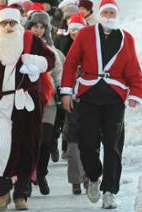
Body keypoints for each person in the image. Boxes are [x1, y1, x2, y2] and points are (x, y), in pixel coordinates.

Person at [61, 0, 142, 209]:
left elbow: (134, 68)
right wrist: (67, 93)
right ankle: (94, 176)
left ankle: (109, 191)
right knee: (87, 144)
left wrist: (135, 92)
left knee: (113, 146)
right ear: (99, 14)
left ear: (117, 15)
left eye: (112, 13)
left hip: (114, 98)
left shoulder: (127, 39)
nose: (108, 16)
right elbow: (70, 64)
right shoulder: (86, 35)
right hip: (89, 95)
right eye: (105, 13)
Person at [0, 7, 55, 210]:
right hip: (2, 105)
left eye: (12, 23)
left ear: (18, 23)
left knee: (27, 147)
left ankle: (21, 195)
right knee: (0, 148)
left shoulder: (30, 40)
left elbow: (50, 59)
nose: (8, 27)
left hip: (28, 105)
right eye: (4, 23)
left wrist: (35, 62)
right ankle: (3, 191)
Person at [25, 10, 63, 196]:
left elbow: (58, 73)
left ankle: (41, 173)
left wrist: (61, 91)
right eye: (35, 26)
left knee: (46, 141)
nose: (38, 30)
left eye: (42, 27)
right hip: (27, 99)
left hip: (49, 101)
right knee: (29, 140)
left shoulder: (51, 49)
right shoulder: (22, 46)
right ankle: (28, 176)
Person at [61, 12, 90, 195]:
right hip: (71, 99)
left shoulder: (91, 47)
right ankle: (76, 180)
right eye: (72, 31)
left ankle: (89, 176)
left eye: (78, 31)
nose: (75, 34)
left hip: (89, 100)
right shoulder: (63, 45)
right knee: (73, 144)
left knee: (89, 142)